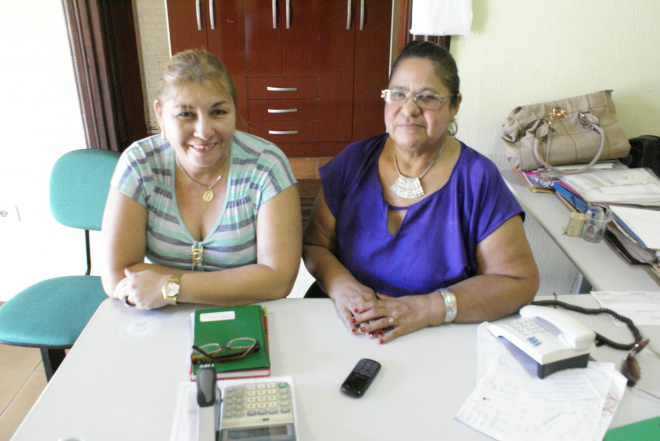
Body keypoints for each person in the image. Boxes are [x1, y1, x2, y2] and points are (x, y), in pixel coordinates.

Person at [303, 41, 539, 343]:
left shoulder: (477, 179)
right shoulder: (353, 161)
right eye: (398, 94)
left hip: (433, 337)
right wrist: (340, 285)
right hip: (345, 324)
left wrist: (428, 307)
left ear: (455, 105)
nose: (409, 109)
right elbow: (314, 245)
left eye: (427, 98)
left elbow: (518, 282)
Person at [101, 49, 301, 309]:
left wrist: (167, 287)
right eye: (186, 114)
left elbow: (278, 280)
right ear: (160, 114)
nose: (204, 131)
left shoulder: (267, 165)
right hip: (160, 316)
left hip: (244, 315)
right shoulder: (139, 164)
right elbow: (118, 274)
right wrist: (242, 283)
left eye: (218, 112)